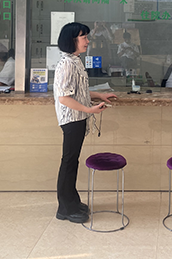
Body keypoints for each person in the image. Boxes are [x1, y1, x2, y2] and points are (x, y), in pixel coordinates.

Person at [53, 22, 117, 224]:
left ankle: (72, 202)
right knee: (68, 162)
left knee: (73, 162)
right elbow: (64, 98)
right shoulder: (67, 64)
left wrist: (100, 95)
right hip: (71, 119)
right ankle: (65, 208)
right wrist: (90, 109)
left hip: (78, 117)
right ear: (72, 40)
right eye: (84, 38)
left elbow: (79, 91)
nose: (88, 41)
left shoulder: (76, 61)